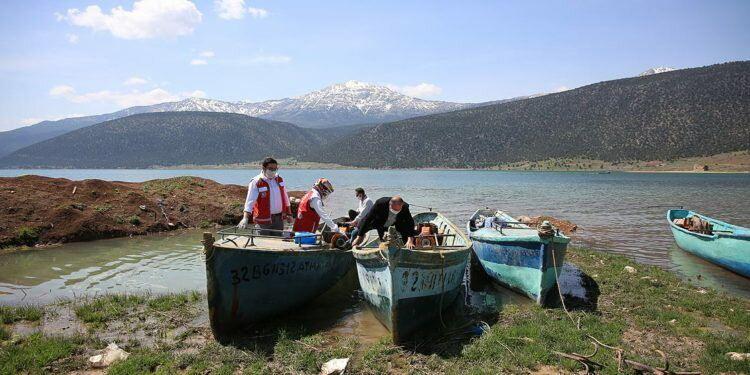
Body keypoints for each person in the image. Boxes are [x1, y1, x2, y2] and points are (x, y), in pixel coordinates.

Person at [237, 157, 292, 236]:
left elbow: (285, 197)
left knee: (277, 243)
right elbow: (250, 201)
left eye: (275, 169)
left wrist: (289, 214)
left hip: (278, 219)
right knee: (263, 241)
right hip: (263, 221)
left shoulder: (279, 180)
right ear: (264, 168)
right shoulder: (256, 181)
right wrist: (245, 218)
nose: (273, 171)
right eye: (270, 168)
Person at [349, 196, 416, 249]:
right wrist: (359, 237)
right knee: (357, 232)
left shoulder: (405, 207)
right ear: (389, 205)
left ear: (402, 206)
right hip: (378, 221)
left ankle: (404, 250)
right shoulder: (380, 203)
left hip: (395, 223)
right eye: (393, 210)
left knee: (407, 235)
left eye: (397, 210)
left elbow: (410, 222)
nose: (395, 212)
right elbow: (368, 218)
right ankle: (351, 246)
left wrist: (410, 239)